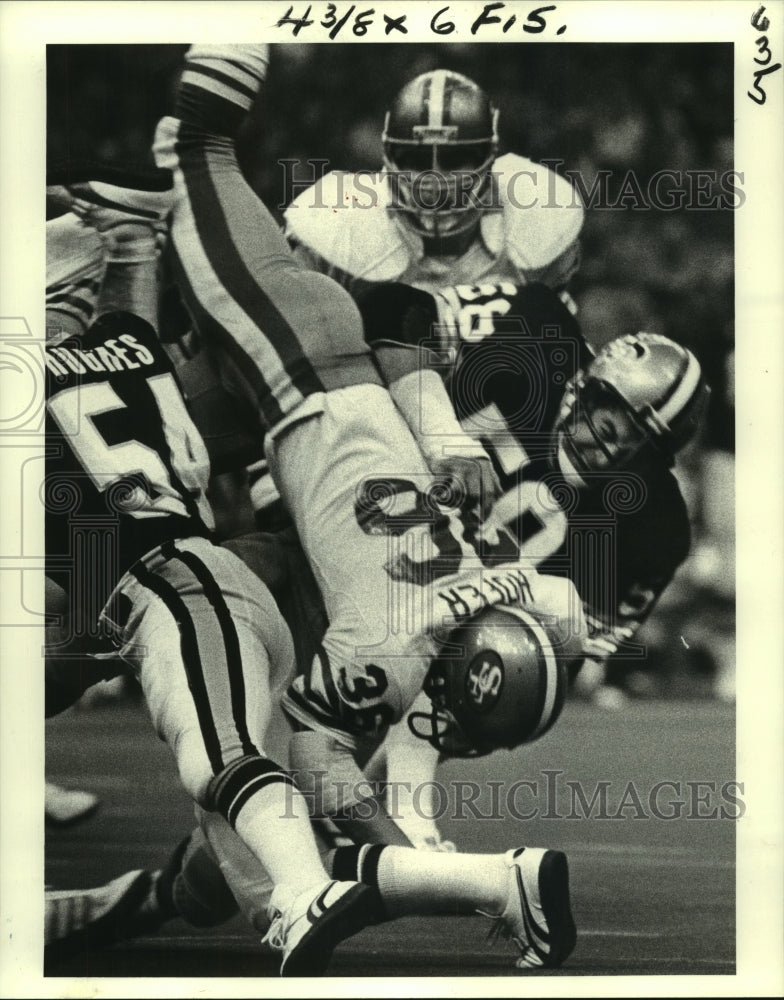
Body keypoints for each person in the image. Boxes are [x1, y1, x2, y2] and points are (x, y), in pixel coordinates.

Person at [43, 177, 376, 978]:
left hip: (166, 588)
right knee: (238, 846)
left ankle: (309, 892)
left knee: (215, 758)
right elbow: (127, 318)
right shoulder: (130, 347)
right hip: (196, 574)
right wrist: (130, 243)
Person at [284, 69, 584, 301]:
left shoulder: (535, 213)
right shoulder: (343, 219)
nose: (435, 178)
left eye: (454, 159)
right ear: (389, 157)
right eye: (416, 159)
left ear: (489, 156)